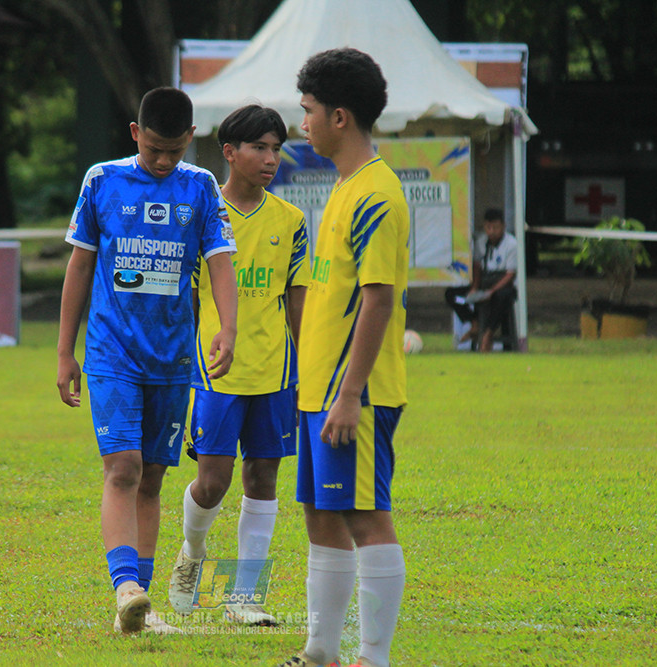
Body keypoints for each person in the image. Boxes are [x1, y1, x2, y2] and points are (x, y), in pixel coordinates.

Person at [55, 87, 238, 636]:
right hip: (112, 351)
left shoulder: (201, 187)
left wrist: (228, 327)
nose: (162, 160)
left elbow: (220, 260)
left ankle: (138, 608)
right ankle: (126, 587)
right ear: (135, 134)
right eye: (153, 149)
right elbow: (79, 266)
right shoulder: (102, 181)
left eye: (173, 151)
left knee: (153, 478)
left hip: (173, 357)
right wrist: (65, 351)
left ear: (191, 139)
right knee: (124, 468)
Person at [279, 48, 410, 667]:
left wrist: (351, 393)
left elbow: (378, 301)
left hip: (351, 393)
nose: (300, 122)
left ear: (340, 116)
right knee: (321, 517)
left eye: (307, 110)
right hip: (318, 392)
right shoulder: (344, 185)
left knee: (364, 516)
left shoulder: (377, 195)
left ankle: (372, 660)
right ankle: (321, 654)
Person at [167, 105, 310, 627]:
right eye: (259, 148)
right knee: (213, 482)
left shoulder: (291, 221)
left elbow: (298, 300)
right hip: (215, 372)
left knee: (263, 476)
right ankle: (192, 551)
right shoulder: (203, 216)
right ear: (229, 152)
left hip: (275, 371)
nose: (271, 159)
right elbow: (186, 297)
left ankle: (244, 597)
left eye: (276, 149)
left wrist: (308, 367)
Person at [443, 208, 518, 352]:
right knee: (453, 296)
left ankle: (488, 332)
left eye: (495, 227)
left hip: (501, 286)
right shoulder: (481, 241)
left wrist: (491, 291)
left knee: (502, 297)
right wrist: (475, 288)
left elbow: (510, 274)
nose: (492, 232)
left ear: (503, 226)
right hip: (483, 283)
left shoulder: (511, 244)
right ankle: (473, 322)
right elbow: (477, 266)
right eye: (488, 227)